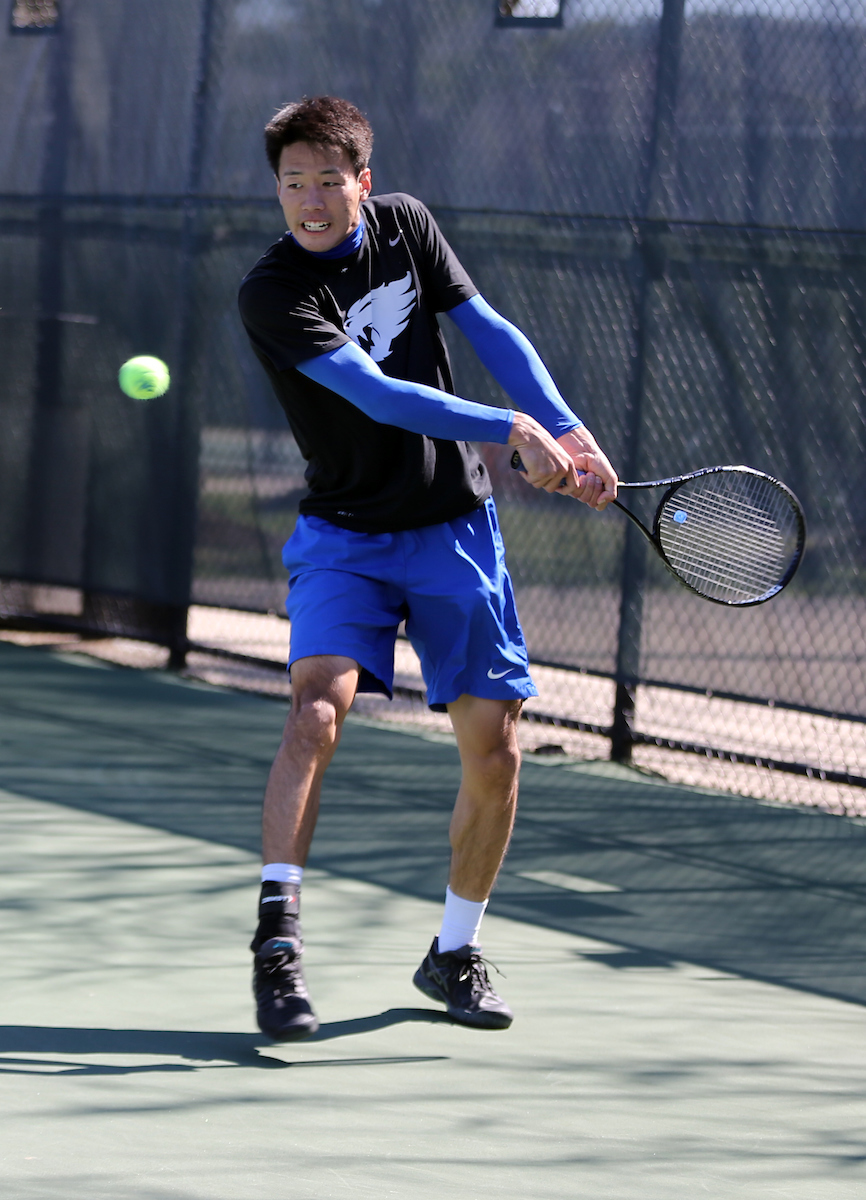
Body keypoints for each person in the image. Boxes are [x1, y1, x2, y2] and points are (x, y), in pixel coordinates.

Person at [238, 95, 617, 1041]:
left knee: (495, 754)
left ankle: (453, 952)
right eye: (295, 184)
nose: (312, 201)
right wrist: (508, 428)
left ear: (363, 184)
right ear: (278, 191)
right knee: (316, 709)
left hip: (455, 531)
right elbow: (373, 394)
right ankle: (277, 948)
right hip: (345, 538)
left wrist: (563, 426)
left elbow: (490, 332)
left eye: (331, 180)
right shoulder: (272, 292)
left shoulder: (406, 225)